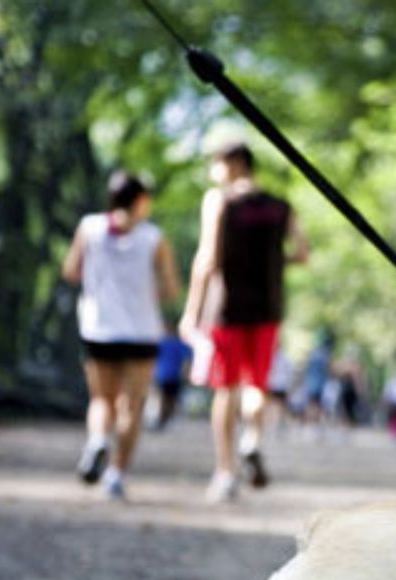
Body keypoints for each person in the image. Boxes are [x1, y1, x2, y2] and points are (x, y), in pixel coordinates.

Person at [179, 140, 309, 503]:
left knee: (226, 388)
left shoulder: (219, 200)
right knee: (257, 385)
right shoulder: (281, 207)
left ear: (234, 163)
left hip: (227, 308)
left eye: (216, 164)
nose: (213, 172)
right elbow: (302, 252)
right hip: (268, 308)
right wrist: (272, 262)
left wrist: (191, 312)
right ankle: (252, 439)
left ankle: (225, 472)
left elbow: (207, 259)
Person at [62, 170, 181, 501]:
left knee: (102, 400)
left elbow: (71, 271)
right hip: (142, 332)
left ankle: (98, 439)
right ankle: (115, 474)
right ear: (141, 200)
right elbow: (171, 289)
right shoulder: (154, 237)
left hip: (99, 328)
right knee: (133, 406)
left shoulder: (89, 227)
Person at [149, 331, 193, 431]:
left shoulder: (160, 342)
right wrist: (186, 373)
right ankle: (165, 419)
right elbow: (187, 359)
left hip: (162, 375)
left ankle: (162, 419)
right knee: (170, 399)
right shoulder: (179, 343)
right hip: (174, 376)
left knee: (163, 398)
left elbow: (152, 358)